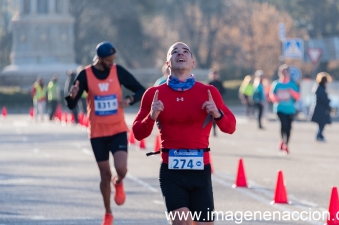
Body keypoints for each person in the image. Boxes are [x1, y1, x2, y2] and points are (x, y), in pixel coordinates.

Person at [132, 42, 236, 225]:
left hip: (200, 171)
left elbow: (231, 127)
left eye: (185, 51)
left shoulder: (209, 92)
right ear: (168, 63)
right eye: (175, 52)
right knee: (183, 222)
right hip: (171, 173)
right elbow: (138, 133)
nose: (181, 53)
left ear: (192, 62)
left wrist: (217, 114)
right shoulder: (154, 94)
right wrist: (151, 116)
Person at [65, 41, 145, 225]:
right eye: (109, 60)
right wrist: (73, 94)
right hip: (97, 133)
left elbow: (141, 89)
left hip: (117, 129)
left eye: (113, 59)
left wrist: (130, 99)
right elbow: (71, 104)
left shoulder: (118, 71)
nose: (112, 62)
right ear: (99, 59)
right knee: (104, 174)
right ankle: (108, 213)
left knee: (121, 168)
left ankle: (119, 182)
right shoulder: (85, 74)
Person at [270, 64, 300, 154]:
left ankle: (286, 143)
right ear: (280, 73)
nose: (284, 74)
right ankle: (283, 140)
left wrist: (291, 92)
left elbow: (298, 96)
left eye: (286, 72)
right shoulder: (276, 84)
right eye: (282, 72)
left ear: (289, 73)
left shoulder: (292, 84)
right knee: (284, 124)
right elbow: (272, 94)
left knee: (289, 128)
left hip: (290, 109)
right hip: (280, 108)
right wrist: (275, 98)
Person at [310, 72, 332, 141]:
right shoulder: (320, 88)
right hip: (320, 108)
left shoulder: (322, 87)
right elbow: (322, 98)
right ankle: (319, 135)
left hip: (322, 108)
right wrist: (328, 100)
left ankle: (319, 134)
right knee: (321, 123)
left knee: (322, 123)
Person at [208, 69, 226, 136]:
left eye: (215, 74)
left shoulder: (220, 82)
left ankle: (220, 128)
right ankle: (214, 130)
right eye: (213, 74)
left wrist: (218, 92)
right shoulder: (210, 83)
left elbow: (224, 91)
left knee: (219, 115)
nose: (214, 76)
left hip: (219, 102)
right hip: (212, 101)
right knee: (212, 116)